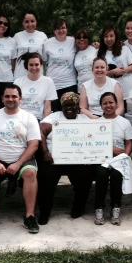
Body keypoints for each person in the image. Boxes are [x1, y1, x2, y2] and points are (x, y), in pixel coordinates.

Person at [0, 84, 41, 236]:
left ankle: (30, 216)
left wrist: (18, 164)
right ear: (2, 98)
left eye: (14, 96)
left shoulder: (29, 117)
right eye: (7, 96)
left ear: (20, 99)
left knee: (30, 173)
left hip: (22, 160)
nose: (10, 99)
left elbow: (34, 145)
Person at [37, 92, 92, 225]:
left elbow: (93, 136)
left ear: (77, 107)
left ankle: (78, 208)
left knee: (85, 176)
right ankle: (44, 211)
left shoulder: (84, 119)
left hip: (76, 160)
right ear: (61, 106)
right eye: (66, 105)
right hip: (53, 160)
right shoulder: (53, 117)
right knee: (45, 179)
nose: (69, 108)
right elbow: (41, 132)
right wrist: (45, 152)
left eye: (72, 105)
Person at [93, 92, 132, 225]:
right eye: (105, 103)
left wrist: (124, 157)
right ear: (101, 106)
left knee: (117, 175)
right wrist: (111, 150)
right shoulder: (97, 123)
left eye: (111, 102)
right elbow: (93, 144)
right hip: (102, 159)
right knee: (101, 174)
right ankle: (99, 208)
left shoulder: (124, 122)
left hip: (119, 159)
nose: (108, 105)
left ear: (116, 104)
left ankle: (115, 208)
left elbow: (129, 142)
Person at [96, 26, 132, 125]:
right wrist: (111, 73)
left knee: (129, 120)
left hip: (127, 90)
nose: (109, 39)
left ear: (116, 36)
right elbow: (97, 71)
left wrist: (122, 71)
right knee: (115, 120)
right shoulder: (100, 53)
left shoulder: (124, 49)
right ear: (103, 38)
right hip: (111, 92)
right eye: (106, 36)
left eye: (111, 36)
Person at [14, 52, 57, 121]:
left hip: (37, 119)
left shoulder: (48, 82)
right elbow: (15, 105)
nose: (34, 67)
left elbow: (47, 107)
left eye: (36, 65)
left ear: (41, 65)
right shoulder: (18, 82)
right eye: (31, 65)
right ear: (26, 66)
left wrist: (45, 124)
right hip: (20, 119)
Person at [43, 18, 77, 102]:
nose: (61, 30)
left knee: (70, 112)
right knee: (55, 112)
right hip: (53, 84)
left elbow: (84, 47)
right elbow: (43, 63)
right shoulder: (47, 43)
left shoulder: (73, 41)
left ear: (67, 29)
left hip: (70, 83)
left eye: (63, 28)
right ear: (54, 31)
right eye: (58, 28)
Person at [13, 11, 47, 80]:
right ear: (23, 23)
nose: (30, 24)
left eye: (32, 21)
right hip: (20, 75)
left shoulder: (42, 36)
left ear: (36, 22)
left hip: (37, 75)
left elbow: (44, 59)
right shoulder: (17, 36)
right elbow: (13, 58)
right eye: (26, 21)